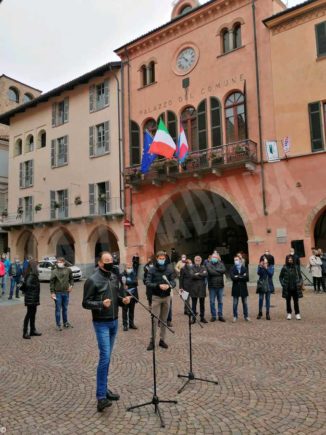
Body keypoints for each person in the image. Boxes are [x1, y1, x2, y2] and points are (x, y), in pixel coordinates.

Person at [82, 251, 131, 412]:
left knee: (108, 357)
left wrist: (123, 301)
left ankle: (104, 389)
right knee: (104, 357)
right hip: (101, 323)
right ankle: (101, 397)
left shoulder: (113, 277)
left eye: (112, 260)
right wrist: (101, 304)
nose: (111, 262)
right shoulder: (92, 280)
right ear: (101, 263)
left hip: (114, 321)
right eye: (107, 260)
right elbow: (86, 303)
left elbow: (116, 297)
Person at [145, 251, 176, 351]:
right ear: (157, 258)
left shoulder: (169, 269)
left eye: (163, 258)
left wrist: (169, 285)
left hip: (166, 297)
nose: (162, 260)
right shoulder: (152, 269)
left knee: (164, 320)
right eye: (160, 258)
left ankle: (162, 340)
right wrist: (158, 285)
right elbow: (147, 282)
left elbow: (173, 281)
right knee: (154, 320)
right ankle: (152, 341)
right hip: (156, 297)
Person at [50, 257, 74, 330]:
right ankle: (58, 325)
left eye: (60, 262)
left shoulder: (68, 270)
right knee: (58, 309)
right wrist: (52, 292)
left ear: (64, 262)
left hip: (66, 292)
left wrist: (71, 286)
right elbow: (52, 283)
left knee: (65, 308)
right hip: (58, 293)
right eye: (57, 262)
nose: (59, 263)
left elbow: (71, 279)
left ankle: (65, 323)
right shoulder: (54, 271)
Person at [279, 255, 303, 320]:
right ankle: (289, 313)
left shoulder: (296, 267)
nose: (290, 261)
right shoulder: (284, 268)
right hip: (287, 288)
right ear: (287, 260)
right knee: (288, 301)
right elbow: (280, 277)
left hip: (295, 288)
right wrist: (283, 284)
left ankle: (297, 313)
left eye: (291, 259)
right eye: (289, 260)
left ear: (293, 260)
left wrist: (300, 283)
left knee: (296, 301)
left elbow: (300, 277)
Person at [22, 260, 42, 339]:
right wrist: (34, 287)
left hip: (33, 298)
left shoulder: (33, 274)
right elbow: (28, 284)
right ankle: (25, 332)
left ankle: (32, 330)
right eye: (37, 265)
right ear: (34, 266)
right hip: (31, 298)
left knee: (33, 315)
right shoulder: (31, 274)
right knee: (29, 315)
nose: (37, 266)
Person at [206, 252, 226, 322]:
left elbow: (224, 270)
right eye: (213, 257)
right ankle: (213, 316)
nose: (214, 258)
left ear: (218, 258)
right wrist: (219, 272)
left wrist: (216, 270)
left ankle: (220, 315)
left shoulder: (221, 264)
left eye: (216, 257)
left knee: (220, 301)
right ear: (211, 258)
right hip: (212, 286)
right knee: (212, 302)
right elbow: (211, 272)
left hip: (220, 285)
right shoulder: (208, 264)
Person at [188, 256, 208, 323]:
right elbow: (192, 275)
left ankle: (202, 317)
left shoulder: (203, 267)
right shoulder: (191, 267)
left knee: (202, 304)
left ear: (201, 260)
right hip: (194, 288)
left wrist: (198, 274)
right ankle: (193, 318)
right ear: (194, 260)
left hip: (202, 288)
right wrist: (201, 274)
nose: (198, 260)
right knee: (194, 304)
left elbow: (206, 274)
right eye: (196, 259)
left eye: (199, 259)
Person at [230, 255, 249, 322]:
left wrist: (237, 276)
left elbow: (247, 278)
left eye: (237, 260)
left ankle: (246, 316)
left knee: (245, 303)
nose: (236, 261)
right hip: (235, 288)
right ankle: (235, 316)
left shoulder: (244, 268)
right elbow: (232, 278)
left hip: (243, 288)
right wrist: (241, 276)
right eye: (235, 260)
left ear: (240, 260)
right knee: (235, 303)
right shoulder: (232, 268)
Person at [121, 263, 138, 331]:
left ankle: (131, 324)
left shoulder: (134, 274)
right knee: (125, 310)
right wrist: (131, 282)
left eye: (131, 267)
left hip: (132, 295)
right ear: (125, 268)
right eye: (128, 267)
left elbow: (136, 283)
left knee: (132, 310)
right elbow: (122, 283)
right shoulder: (122, 274)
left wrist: (128, 282)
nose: (129, 269)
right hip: (125, 295)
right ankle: (125, 325)